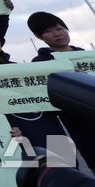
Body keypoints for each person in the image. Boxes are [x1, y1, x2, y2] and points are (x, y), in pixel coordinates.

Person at [0, 22, 66, 151]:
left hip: (51, 127)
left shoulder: (19, 68)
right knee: (35, 169)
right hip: (16, 136)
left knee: (69, 166)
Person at [26, 11, 95, 171]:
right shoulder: (41, 63)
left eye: (59, 28)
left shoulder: (85, 56)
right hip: (81, 125)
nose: (57, 34)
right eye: (48, 31)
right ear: (39, 37)